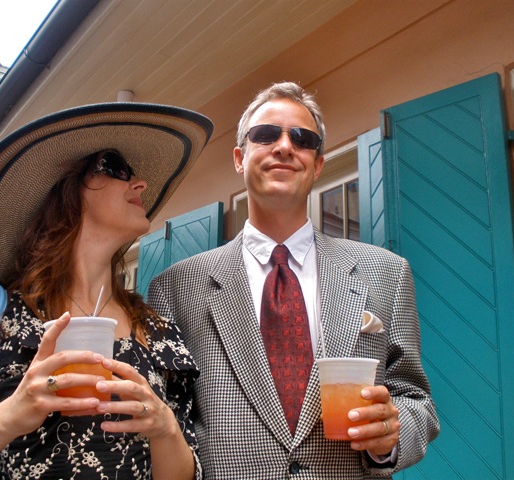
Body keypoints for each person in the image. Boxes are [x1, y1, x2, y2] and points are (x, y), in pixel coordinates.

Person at [0, 103, 213, 479]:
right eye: (114, 167)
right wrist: (12, 414)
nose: (141, 184)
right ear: (65, 192)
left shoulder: (159, 333)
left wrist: (165, 427)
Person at [148, 82, 440, 478]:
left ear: (317, 165)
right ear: (239, 157)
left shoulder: (386, 273)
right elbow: (170, 419)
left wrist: (391, 432)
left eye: (302, 139)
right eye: (266, 134)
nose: (284, 146)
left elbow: (416, 398)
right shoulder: (176, 287)